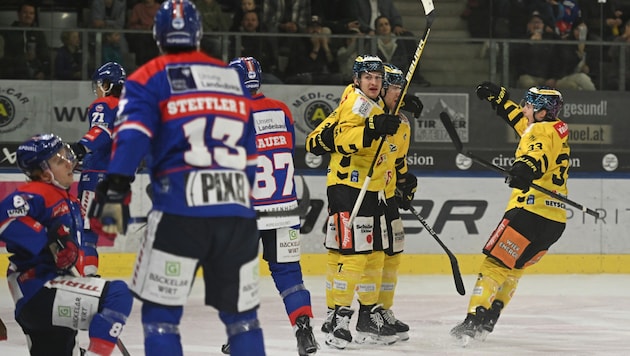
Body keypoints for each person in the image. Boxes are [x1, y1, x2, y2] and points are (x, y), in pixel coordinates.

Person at [88, 1, 266, 355]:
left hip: (178, 213)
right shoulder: (230, 81)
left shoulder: (148, 77)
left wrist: (114, 190)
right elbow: (250, 152)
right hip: (235, 215)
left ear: (157, 35)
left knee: (161, 318)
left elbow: (133, 136)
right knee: (242, 320)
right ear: (199, 34)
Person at [306, 62, 423, 343]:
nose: (376, 83)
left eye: (381, 79)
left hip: (377, 190)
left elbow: (394, 161)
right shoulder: (357, 103)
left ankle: (372, 312)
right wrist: (372, 127)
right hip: (348, 185)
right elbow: (329, 141)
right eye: (393, 86)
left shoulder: (394, 119)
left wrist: (403, 183)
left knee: (380, 254)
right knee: (352, 253)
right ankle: (339, 316)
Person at [450, 82, 570, 345]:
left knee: (495, 264)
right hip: (554, 221)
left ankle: (474, 318)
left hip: (528, 213)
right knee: (514, 269)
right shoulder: (556, 130)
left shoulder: (539, 130)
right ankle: (490, 317)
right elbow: (525, 126)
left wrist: (525, 168)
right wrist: (501, 101)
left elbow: (536, 155)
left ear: (540, 112)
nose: (524, 108)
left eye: (529, 105)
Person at [0, 133, 133, 356]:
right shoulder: (37, 192)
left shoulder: (66, 199)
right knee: (118, 294)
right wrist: (46, 240)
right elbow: (6, 217)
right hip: (40, 291)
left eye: (66, 156)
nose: (69, 162)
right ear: (44, 172)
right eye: (59, 161)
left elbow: (69, 251)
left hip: (48, 297)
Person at [224, 56, 318, 356]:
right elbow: (287, 149)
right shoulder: (281, 110)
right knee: (289, 273)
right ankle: (304, 330)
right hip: (285, 208)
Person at [69, 62, 127, 278]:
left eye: (100, 84)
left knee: (84, 231)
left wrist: (78, 149)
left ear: (107, 84)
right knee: (92, 232)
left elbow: (101, 132)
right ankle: (91, 275)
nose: (98, 89)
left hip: (97, 176)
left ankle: (88, 280)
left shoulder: (104, 104)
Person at [0, 1, 50, 79]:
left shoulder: (38, 33)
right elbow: (3, 59)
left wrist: (42, 72)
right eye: (25, 12)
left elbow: (45, 57)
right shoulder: (8, 33)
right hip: (12, 76)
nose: (28, 16)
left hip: (34, 77)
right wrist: (22, 58)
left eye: (31, 13)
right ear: (18, 14)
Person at [512, 11, 562, 88]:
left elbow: (556, 60)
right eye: (533, 22)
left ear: (543, 25)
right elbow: (516, 59)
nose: (536, 25)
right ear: (528, 25)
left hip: (546, 78)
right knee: (529, 84)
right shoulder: (522, 40)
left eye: (539, 22)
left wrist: (553, 78)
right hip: (527, 76)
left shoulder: (549, 40)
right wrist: (530, 43)